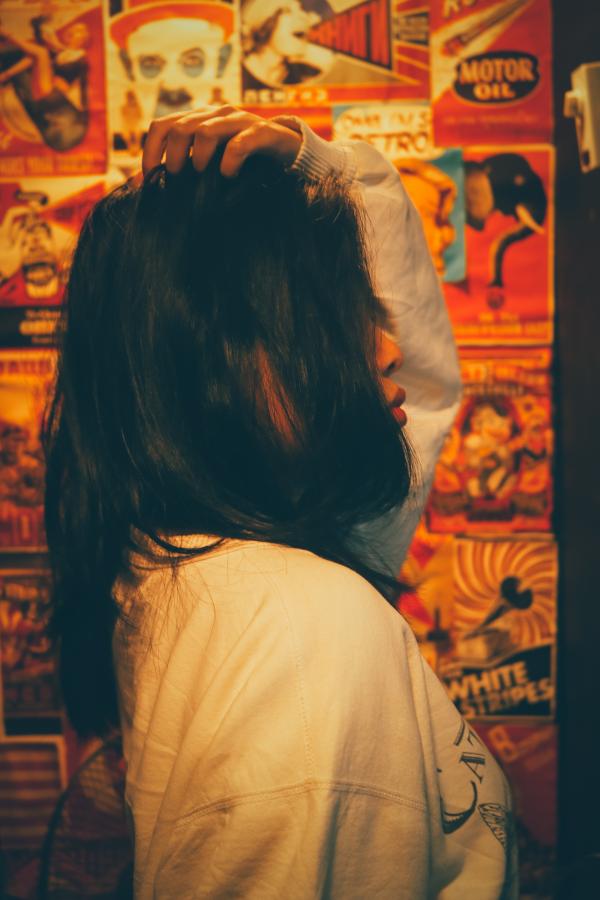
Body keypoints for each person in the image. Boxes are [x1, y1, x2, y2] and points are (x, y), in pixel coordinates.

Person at [44, 106, 517, 898]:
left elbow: (419, 396)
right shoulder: (302, 629)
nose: (387, 345)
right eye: (334, 318)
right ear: (216, 361)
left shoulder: (180, 565)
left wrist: (324, 166)